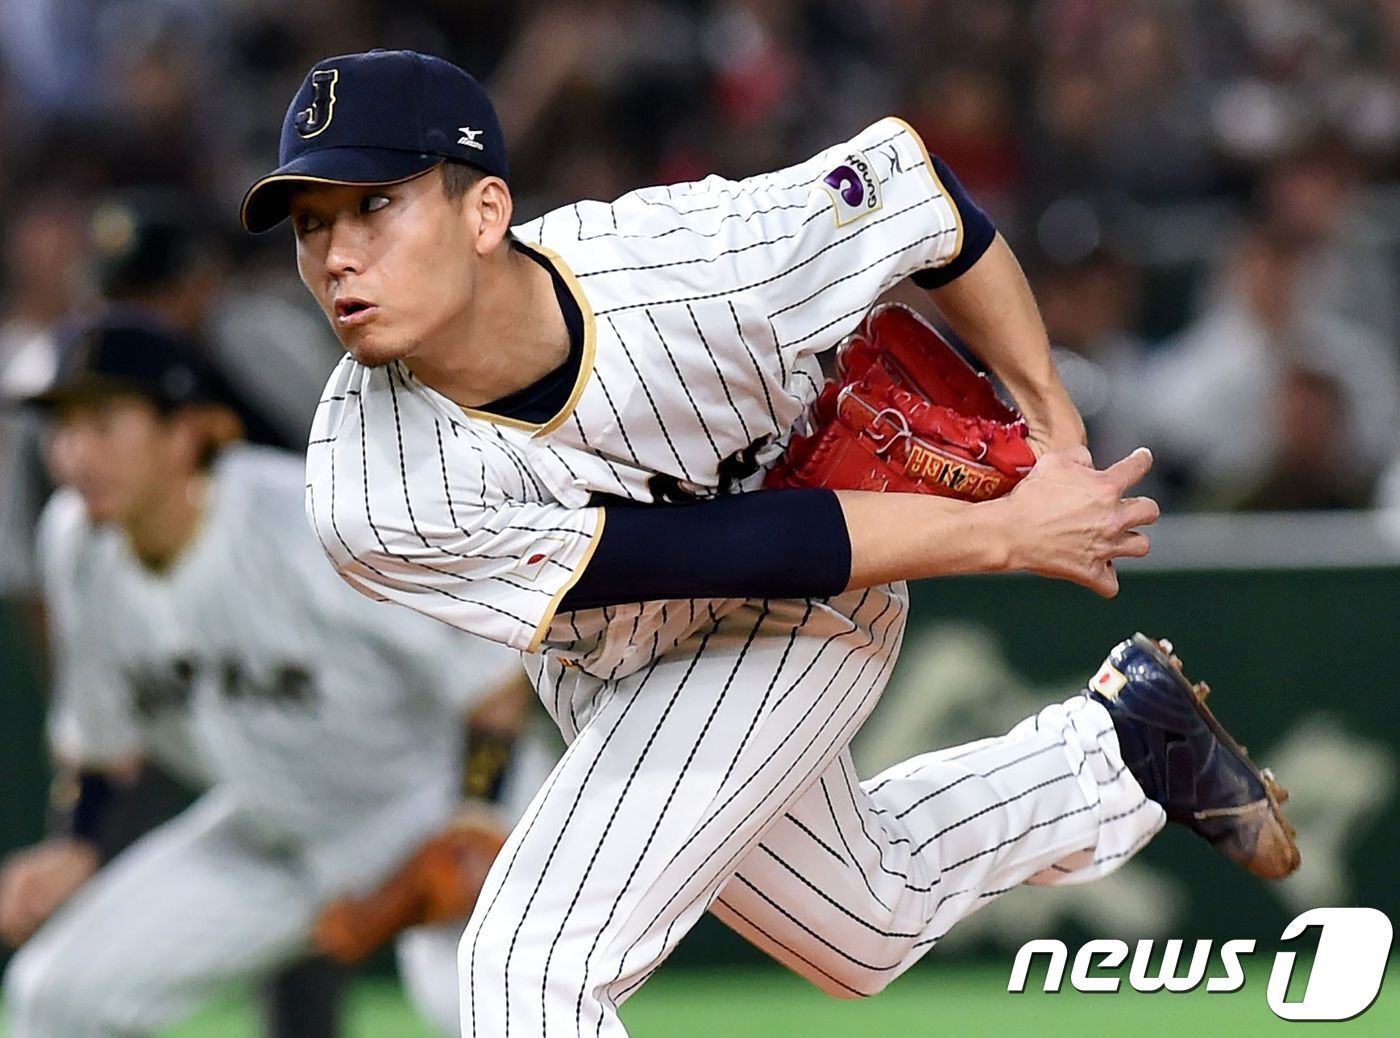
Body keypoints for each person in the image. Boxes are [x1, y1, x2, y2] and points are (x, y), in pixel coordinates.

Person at [241, 49, 1299, 1038]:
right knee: (868, 919)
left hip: (813, 592)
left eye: (374, 205)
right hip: (626, 642)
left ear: (484, 210)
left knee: (530, 963)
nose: (337, 254)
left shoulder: (694, 265)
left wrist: (1049, 425)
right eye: (308, 225)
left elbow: (913, 187)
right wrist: (1002, 531)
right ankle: (1115, 754)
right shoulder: (365, 481)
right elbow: (687, 555)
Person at [0, 317, 548, 1038]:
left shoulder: (306, 517)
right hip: (277, 830)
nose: (73, 454)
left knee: (489, 1002)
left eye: (103, 422)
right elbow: (99, 741)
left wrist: (476, 817)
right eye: (61, 427)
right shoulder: (74, 543)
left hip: (437, 799)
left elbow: (491, 678)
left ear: (187, 432)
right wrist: (74, 842)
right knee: (54, 994)